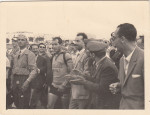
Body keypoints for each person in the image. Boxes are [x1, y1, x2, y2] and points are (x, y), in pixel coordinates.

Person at [70, 41, 120, 109]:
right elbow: (97, 80)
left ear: (93, 55)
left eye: (88, 52)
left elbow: (102, 89)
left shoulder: (107, 66)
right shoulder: (101, 63)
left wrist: (83, 82)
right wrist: (84, 76)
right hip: (99, 102)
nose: (86, 54)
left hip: (105, 105)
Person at [109, 23, 144, 109]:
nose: (112, 43)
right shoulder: (121, 60)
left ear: (122, 39)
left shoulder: (144, 59)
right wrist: (119, 86)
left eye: (114, 39)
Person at [10, 34, 37, 109]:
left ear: (26, 42)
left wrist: (27, 82)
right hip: (15, 79)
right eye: (19, 40)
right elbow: (14, 69)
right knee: (16, 101)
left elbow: (34, 70)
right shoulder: (16, 54)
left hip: (24, 79)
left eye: (22, 40)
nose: (20, 41)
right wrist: (12, 82)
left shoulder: (30, 54)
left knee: (23, 103)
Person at [47, 37, 73, 109]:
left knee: (64, 108)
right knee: (49, 106)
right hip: (54, 86)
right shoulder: (53, 56)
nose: (53, 46)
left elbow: (71, 72)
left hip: (64, 87)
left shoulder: (66, 55)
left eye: (55, 44)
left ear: (61, 44)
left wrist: (64, 85)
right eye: (52, 45)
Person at [69, 33, 90, 109]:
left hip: (82, 93)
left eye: (78, 41)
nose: (75, 43)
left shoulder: (86, 55)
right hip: (75, 92)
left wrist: (74, 77)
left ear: (84, 41)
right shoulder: (78, 54)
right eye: (75, 41)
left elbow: (87, 73)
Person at [30, 44, 47, 109]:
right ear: (30, 49)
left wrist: (39, 70)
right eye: (33, 49)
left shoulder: (43, 58)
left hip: (38, 81)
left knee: (36, 100)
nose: (35, 50)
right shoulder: (28, 57)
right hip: (28, 81)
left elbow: (46, 68)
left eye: (36, 48)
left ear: (38, 49)